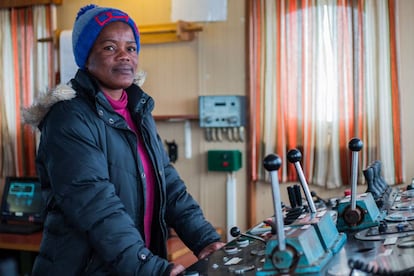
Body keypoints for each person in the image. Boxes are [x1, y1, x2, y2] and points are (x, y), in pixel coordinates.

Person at [23, 4, 224, 276]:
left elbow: (168, 183)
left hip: (130, 264)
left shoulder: (137, 110)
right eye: (109, 48)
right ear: (86, 56)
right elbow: (97, 206)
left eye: (131, 48)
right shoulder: (68, 118)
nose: (124, 56)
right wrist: (149, 267)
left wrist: (204, 239)